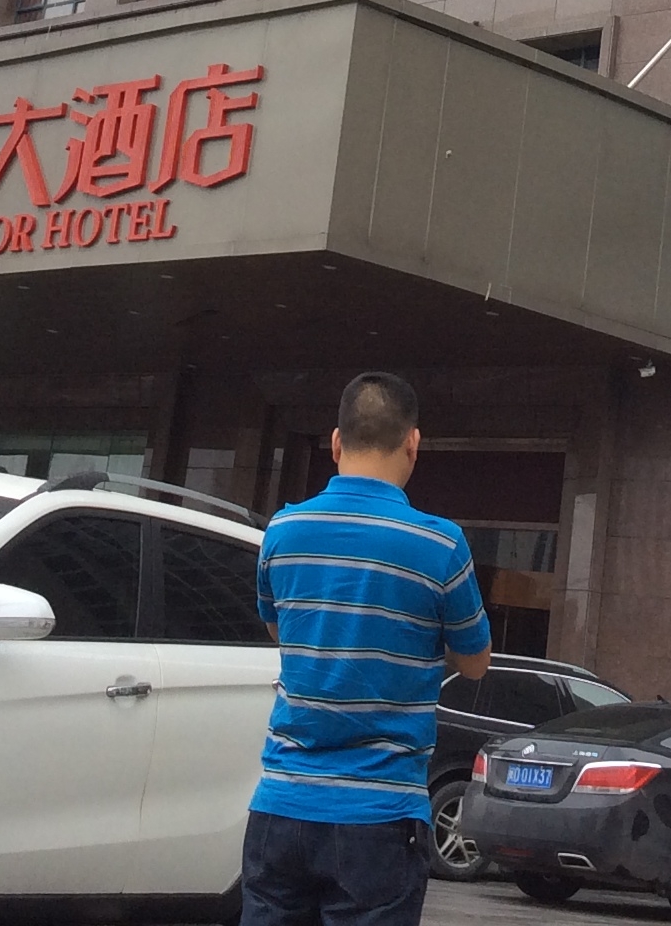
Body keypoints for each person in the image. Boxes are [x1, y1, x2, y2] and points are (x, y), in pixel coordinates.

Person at [243, 371, 493, 926]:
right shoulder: (440, 544)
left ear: (336, 442)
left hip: (281, 806)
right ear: (413, 443)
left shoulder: (283, 531)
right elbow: (476, 663)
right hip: (380, 817)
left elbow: (281, 631)